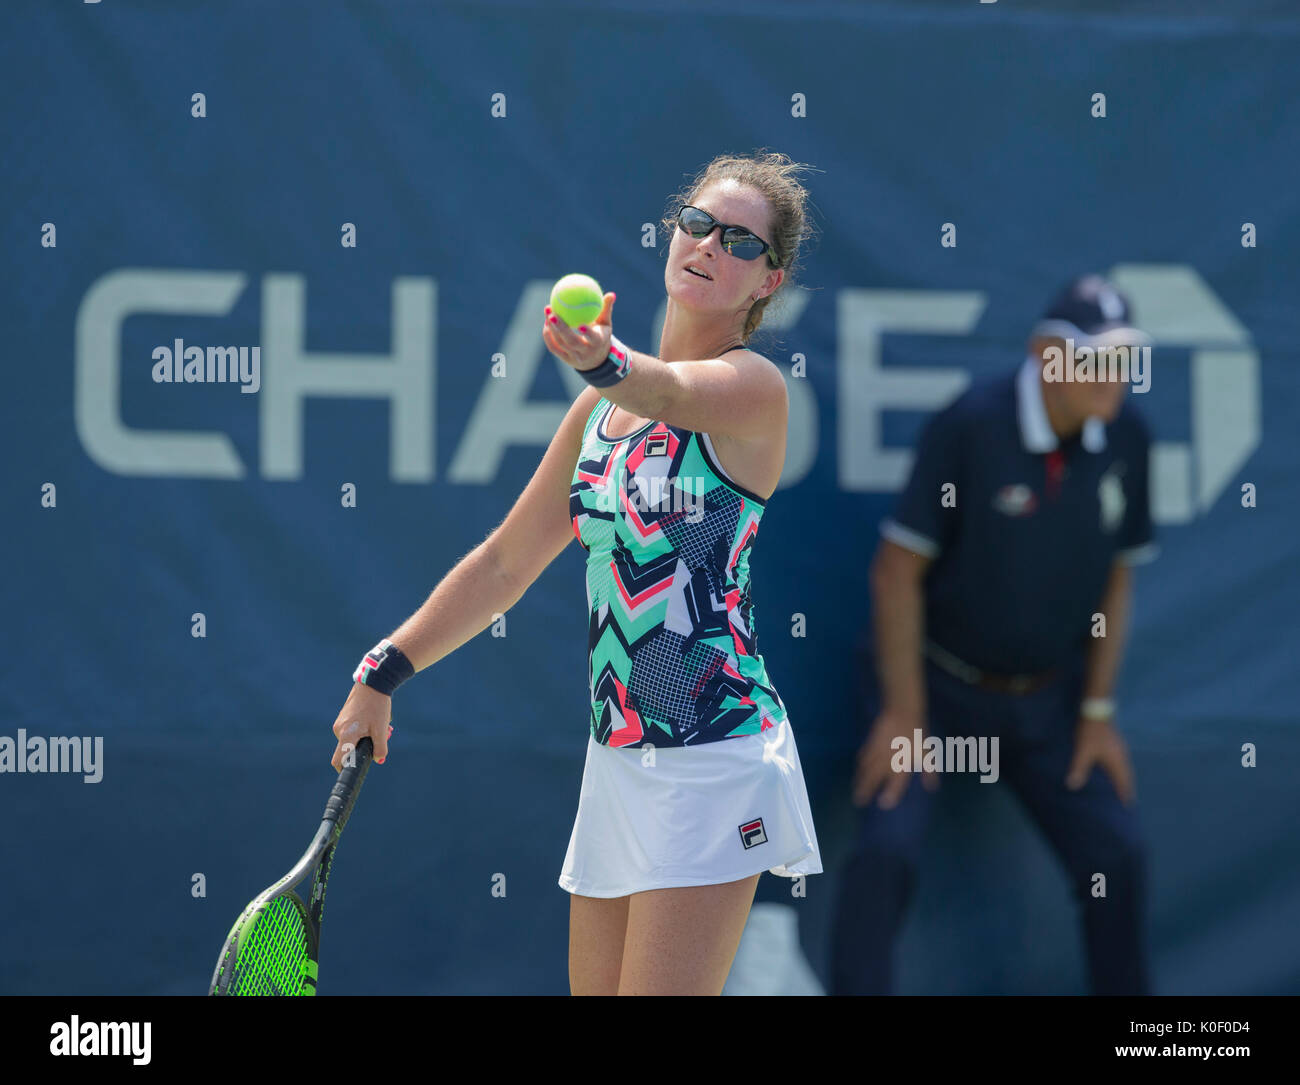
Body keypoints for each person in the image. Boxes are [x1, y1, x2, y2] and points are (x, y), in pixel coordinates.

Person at [329, 151, 822, 996]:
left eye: (740, 241)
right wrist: (387, 666)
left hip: (717, 758)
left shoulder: (755, 390)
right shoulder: (598, 414)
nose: (709, 244)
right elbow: (503, 562)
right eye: (698, 223)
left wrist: (603, 362)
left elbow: (669, 388)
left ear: (765, 282)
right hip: (618, 760)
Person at [831, 274, 1158, 995]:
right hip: (936, 691)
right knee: (886, 852)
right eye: (1095, 358)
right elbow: (896, 572)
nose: (1114, 377)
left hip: (1050, 703)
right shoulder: (970, 427)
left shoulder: (1129, 438)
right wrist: (905, 713)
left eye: (1124, 358)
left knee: (1117, 854)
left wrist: (1097, 712)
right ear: (1047, 356)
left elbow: (1118, 577)